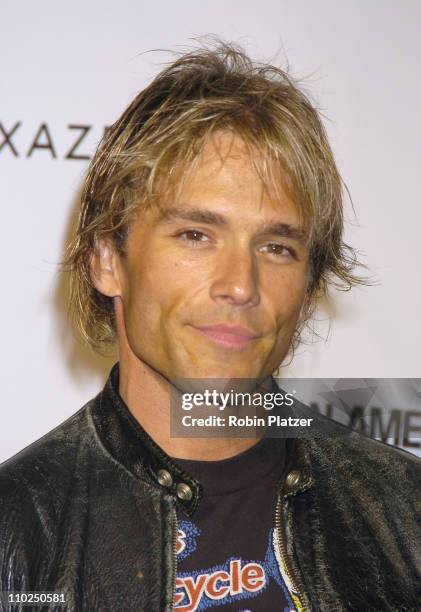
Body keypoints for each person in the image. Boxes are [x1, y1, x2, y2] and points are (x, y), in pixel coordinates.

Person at [0, 42, 420, 612]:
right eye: (196, 235)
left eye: (277, 247)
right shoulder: (19, 534)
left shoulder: (404, 512)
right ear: (107, 259)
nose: (240, 284)